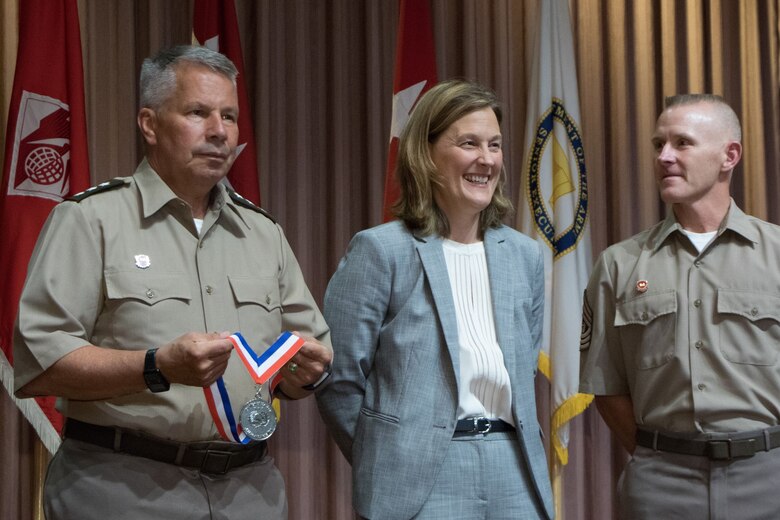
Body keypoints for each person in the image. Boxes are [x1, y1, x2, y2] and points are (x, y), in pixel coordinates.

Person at [13, 45, 332, 520]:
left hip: (250, 491)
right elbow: (40, 363)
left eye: (229, 116)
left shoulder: (264, 233)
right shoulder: (90, 220)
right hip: (122, 487)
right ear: (150, 123)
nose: (219, 132)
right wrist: (155, 366)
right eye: (198, 113)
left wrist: (308, 374)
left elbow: (304, 360)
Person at [316, 79, 554, 520]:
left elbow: (522, 370)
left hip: (515, 466)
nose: (487, 159)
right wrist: (389, 456)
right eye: (469, 143)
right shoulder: (381, 250)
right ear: (425, 155)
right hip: (419, 473)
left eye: (495, 145)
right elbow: (339, 380)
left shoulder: (525, 256)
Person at [579, 94, 780, 519]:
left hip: (769, 478)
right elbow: (607, 386)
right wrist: (662, 455)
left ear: (730, 155)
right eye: (658, 145)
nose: (665, 156)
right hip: (662, 484)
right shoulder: (619, 264)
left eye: (682, 143)